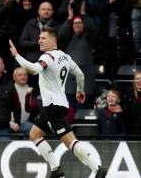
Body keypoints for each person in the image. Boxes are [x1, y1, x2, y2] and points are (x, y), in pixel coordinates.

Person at [9, 27, 106, 178]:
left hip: (53, 106)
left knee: (70, 142)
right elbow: (80, 74)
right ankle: (56, 170)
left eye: (43, 38)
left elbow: (34, 70)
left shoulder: (48, 57)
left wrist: (16, 56)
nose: (39, 41)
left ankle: (97, 169)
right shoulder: (65, 57)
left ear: (53, 40)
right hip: (59, 105)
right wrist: (80, 90)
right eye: (39, 38)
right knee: (35, 134)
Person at [12, 67, 38, 138]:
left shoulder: (32, 90)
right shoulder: (10, 89)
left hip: (25, 123)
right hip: (10, 123)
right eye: (20, 75)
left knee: (35, 129)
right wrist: (11, 123)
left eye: (25, 75)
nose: (23, 77)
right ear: (14, 77)